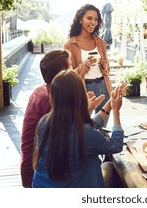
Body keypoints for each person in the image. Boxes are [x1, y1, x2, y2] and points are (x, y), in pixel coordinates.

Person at [20, 49, 104, 188]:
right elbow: (72, 135)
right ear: (61, 75)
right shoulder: (51, 100)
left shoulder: (41, 91)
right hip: (49, 169)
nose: (73, 69)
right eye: (71, 66)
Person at [32, 70, 126, 188]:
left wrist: (110, 104)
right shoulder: (84, 134)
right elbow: (116, 145)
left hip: (42, 186)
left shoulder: (45, 122)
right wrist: (116, 111)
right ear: (80, 96)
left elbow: (83, 129)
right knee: (110, 167)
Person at [64, 4, 112, 116]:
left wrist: (104, 65)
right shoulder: (70, 45)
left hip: (104, 86)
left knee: (101, 126)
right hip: (84, 87)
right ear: (80, 19)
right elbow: (68, 75)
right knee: (84, 125)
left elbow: (107, 71)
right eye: (89, 18)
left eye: (96, 19)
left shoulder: (100, 42)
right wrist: (85, 65)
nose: (93, 22)